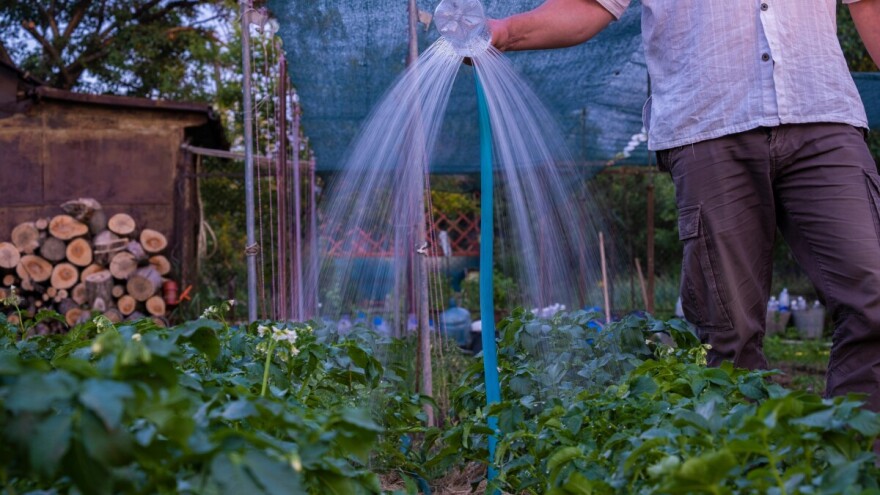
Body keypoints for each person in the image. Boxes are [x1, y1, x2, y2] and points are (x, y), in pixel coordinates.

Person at [488, 0, 880, 411]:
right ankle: (741, 468)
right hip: (709, 123)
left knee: (872, 297)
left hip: (821, 109)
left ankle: (853, 458)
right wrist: (504, 32)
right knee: (728, 332)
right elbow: (590, 6)